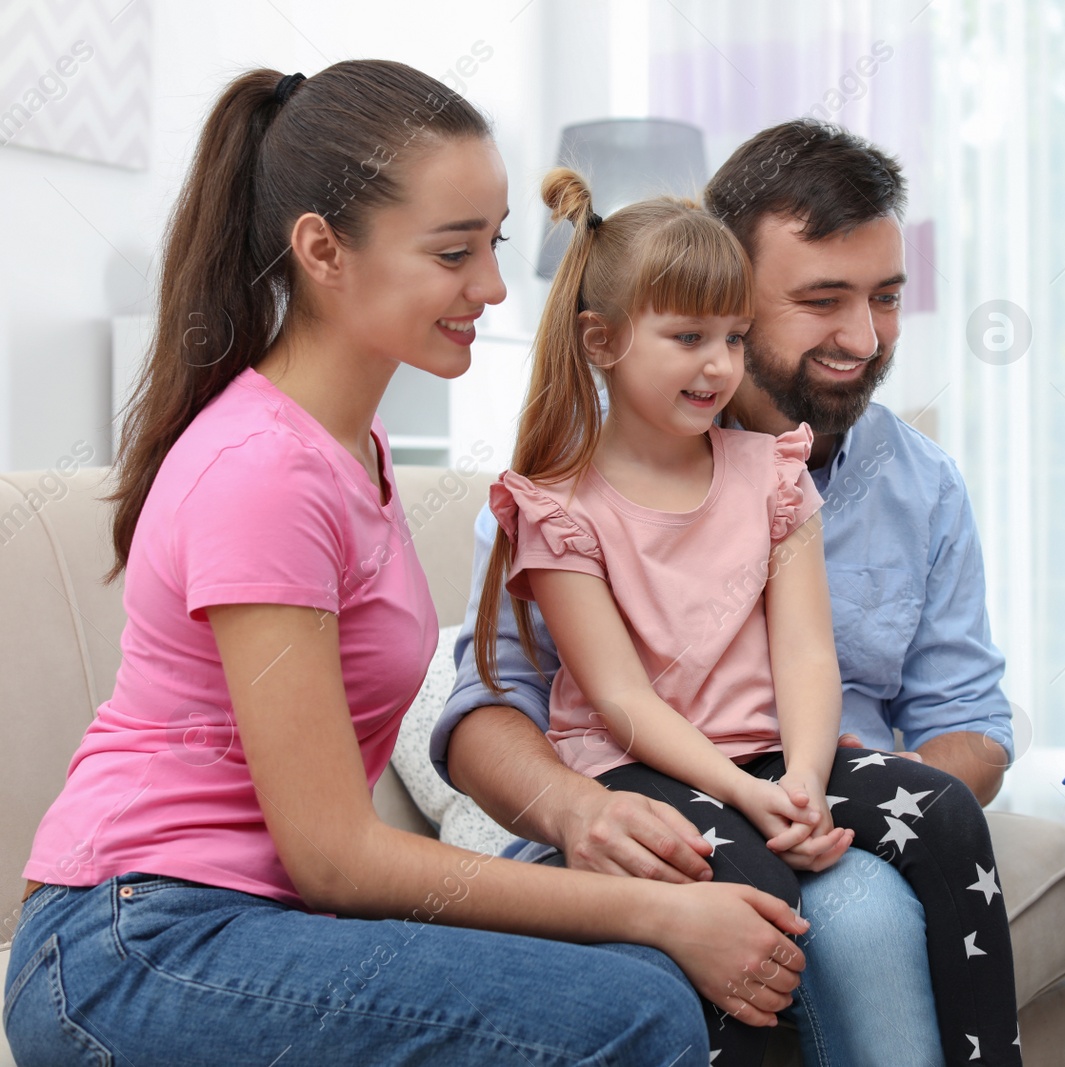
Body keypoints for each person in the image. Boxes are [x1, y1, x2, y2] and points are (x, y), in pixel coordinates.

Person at [4, 62, 810, 1067]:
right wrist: (651, 909)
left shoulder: (350, 449)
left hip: (239, 922)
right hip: (132, 947)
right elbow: (336, 855)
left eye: (496, 241)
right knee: (634, 1004)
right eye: (453, 251)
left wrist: (584, 818)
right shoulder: (265, 472)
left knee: (646, 982)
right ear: (322, 250)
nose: (492, 286)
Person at [433, 120, 1026, 1067]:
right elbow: (492, 708)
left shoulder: (905, 483)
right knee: (846, 917)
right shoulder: (559, 494)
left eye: (886, 298)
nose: (864, 338)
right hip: (648, 796)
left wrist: (823, 800)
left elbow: (967, 717)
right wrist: (589, 813)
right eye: (823, 299)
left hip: (814, 779)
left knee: (886, 876)